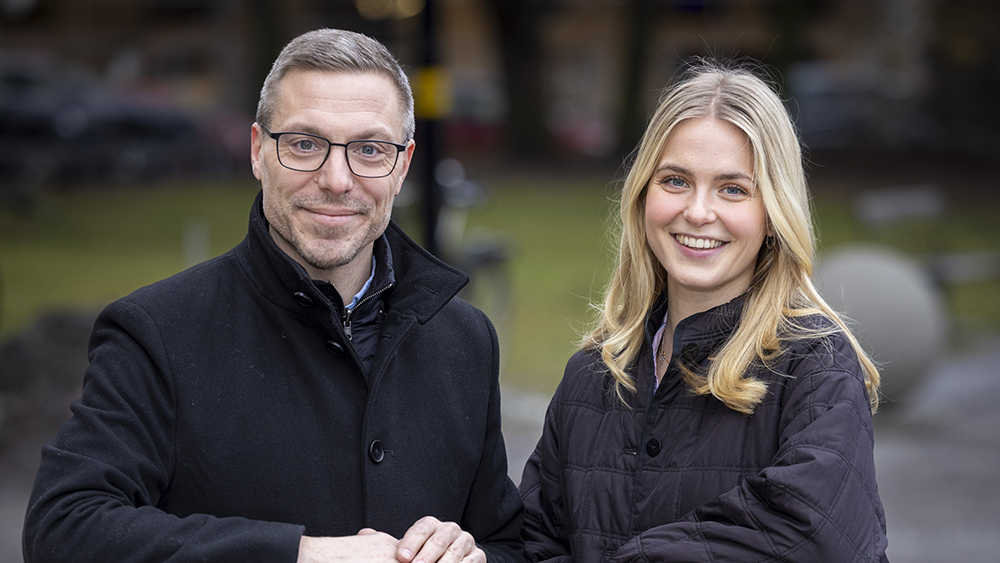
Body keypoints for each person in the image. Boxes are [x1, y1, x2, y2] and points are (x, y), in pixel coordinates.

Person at [23, 28, 524, 563]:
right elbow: (64, 529)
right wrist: (302, 554)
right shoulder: (157, 331)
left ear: (401, 166)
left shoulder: (466, 340)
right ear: (259, 151)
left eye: (370, 149)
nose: (337, 179)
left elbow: (512, 543)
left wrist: (477, 557)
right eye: (305, 144)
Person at [519, 61, 889, 562]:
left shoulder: (814, 367)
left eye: (732, 189)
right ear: (643, 195)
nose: (697, 212)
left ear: (773, 214)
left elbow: (812, 533)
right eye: (675, 180)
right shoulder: (591, 377)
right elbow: (537, 543)